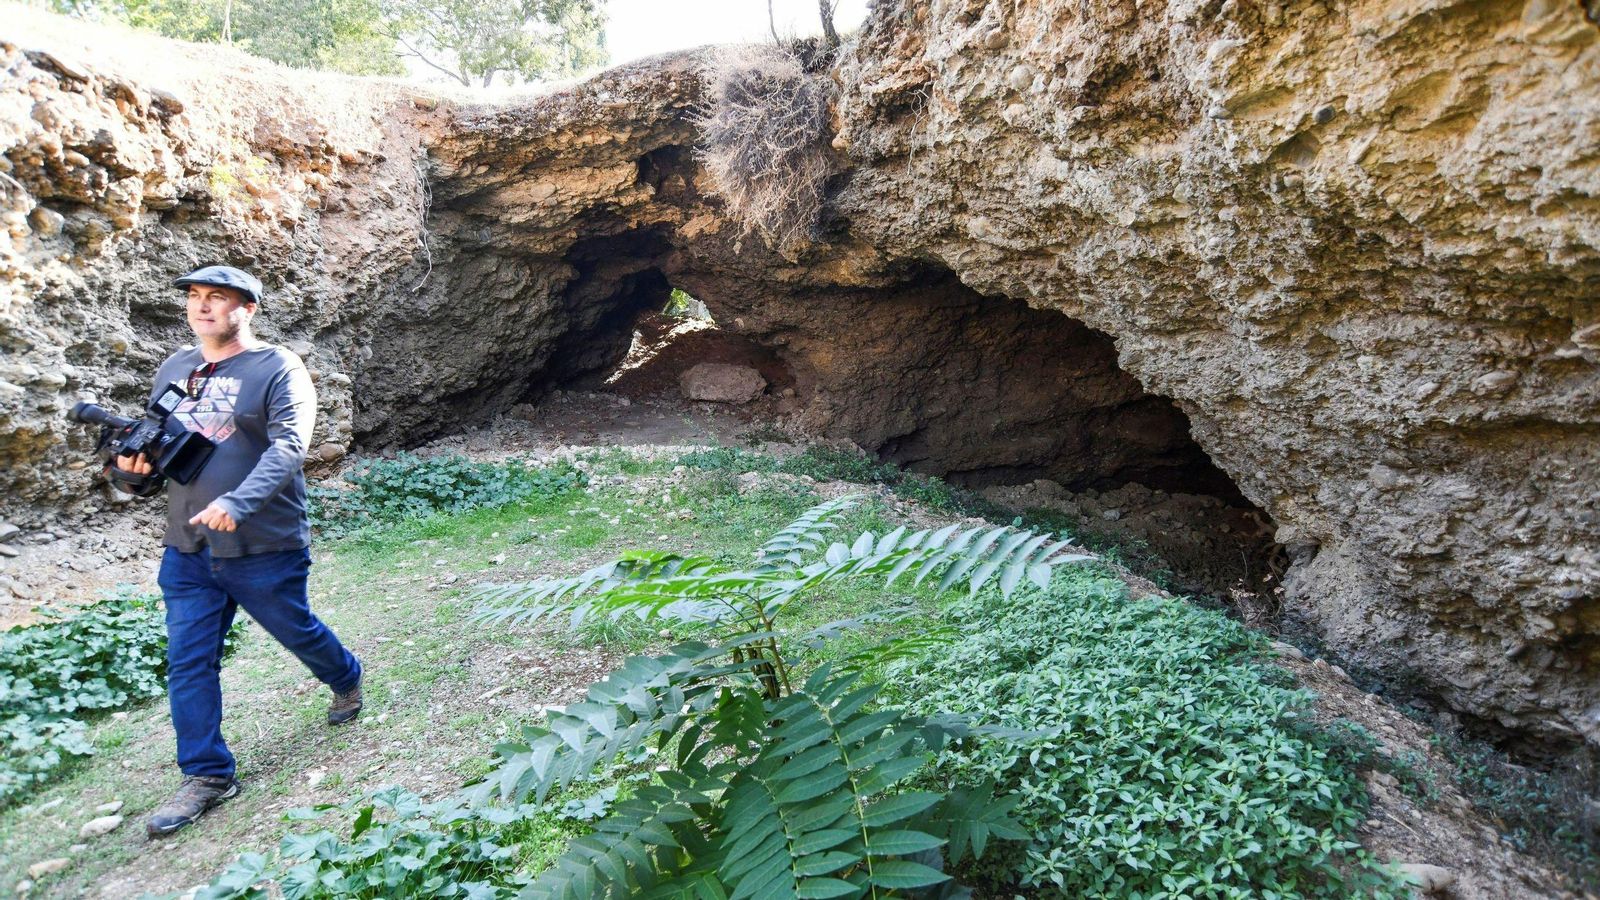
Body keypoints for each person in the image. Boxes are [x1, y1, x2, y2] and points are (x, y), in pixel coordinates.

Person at [113, 265, 364, 838]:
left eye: (217, 298)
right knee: (188, 660)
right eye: (195, 298)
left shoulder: (276, 367)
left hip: (260, 542)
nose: (202, 307)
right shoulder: (176, 368)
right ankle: (206, 775)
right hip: (188, 546)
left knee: (293, 628)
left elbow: (289, 446)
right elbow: (158, 449)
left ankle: (345, 675)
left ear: (246, 308)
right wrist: (130, 474)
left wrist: (239, 501)